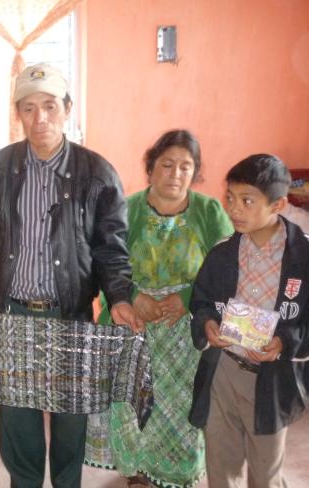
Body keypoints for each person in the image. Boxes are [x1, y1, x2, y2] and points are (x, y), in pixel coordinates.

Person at [0, 63, 139, 488]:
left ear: (67, 108)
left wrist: (119, 297)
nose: (40, 118)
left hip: (71, 315)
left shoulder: (98, 174)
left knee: (70, 420)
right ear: (18, 114)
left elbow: (110, 248)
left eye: (49, 106)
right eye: (29, 108)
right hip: (14, 316)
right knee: (19, 423)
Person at [86, 130, 234, 487]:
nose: (176, 174)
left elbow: (228, 266)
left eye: (186, 167)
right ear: (150, 168)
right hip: (133, 321)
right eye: (167, 165)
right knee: (132, 404)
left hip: (186, 330)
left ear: (195, 172)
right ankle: (137, 472)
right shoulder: (127, 208)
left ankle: (175, 472)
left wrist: (184, 301)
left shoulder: (209, 211)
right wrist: (133, 295)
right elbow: (104, 263)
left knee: (181, 408)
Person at [189, 154, 309, 487]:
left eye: (247, 200)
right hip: (224, 369)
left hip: (272, 378)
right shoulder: (223, 252)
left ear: (278, 204)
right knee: (220, 462)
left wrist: (285, 342)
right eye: (230, 198)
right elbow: (201, 302)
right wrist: (208, 324)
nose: (234, 209)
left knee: (265, 470)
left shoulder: (303, 258)